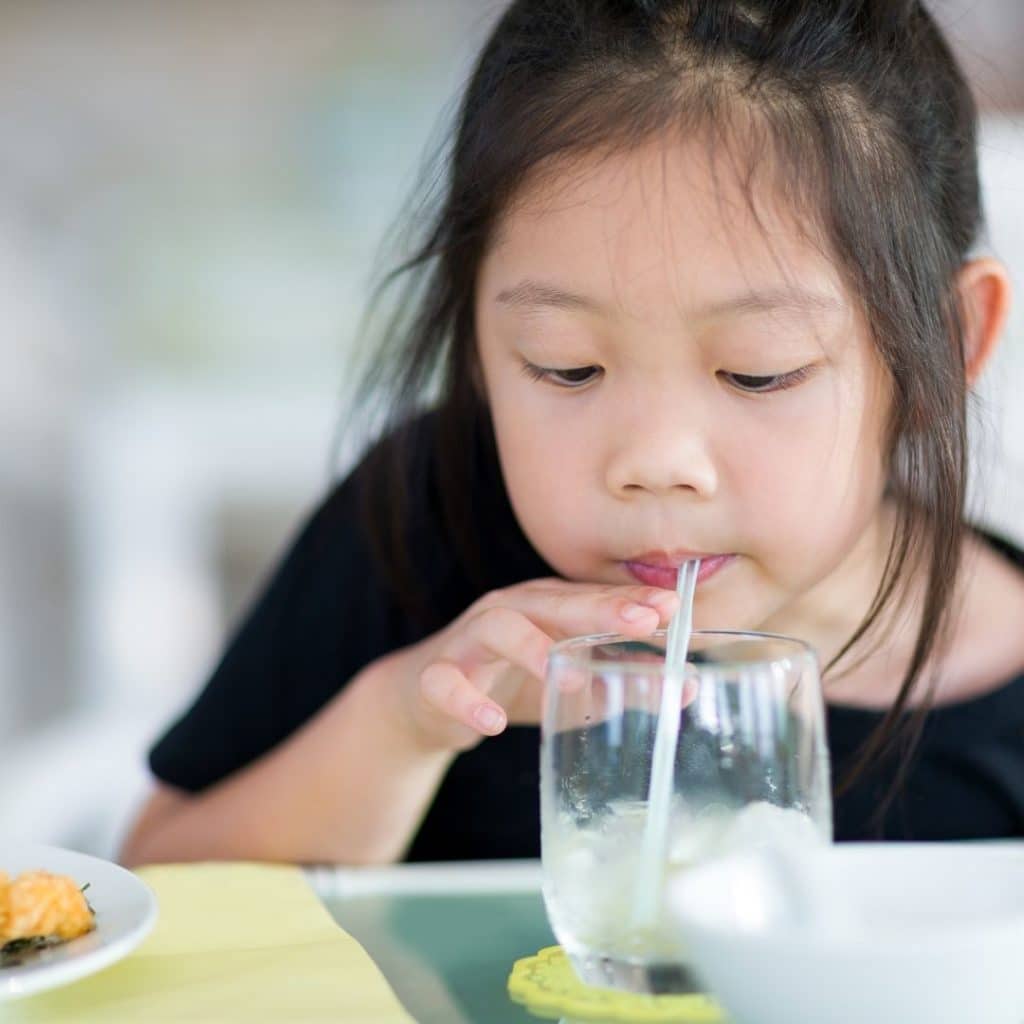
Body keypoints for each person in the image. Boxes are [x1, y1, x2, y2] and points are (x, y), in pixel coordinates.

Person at [120, 0, 1024, 868]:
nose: (655, 463)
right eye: (565, 368)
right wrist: (405, 724)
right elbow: (155, 879)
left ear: (946, 348)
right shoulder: (426, 523)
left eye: (759, 371)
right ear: (475, 336)